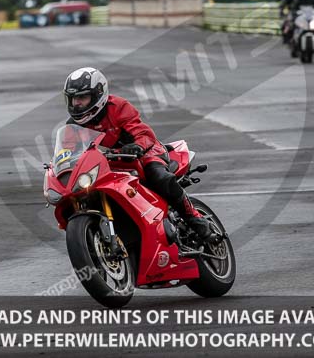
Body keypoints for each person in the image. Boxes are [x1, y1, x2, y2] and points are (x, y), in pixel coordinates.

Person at [62, 67, 212, 240]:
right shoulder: (73, 126)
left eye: (82, 97)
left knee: (158, 176)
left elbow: (144, 134)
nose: (77, 103)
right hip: (109, 164)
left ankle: (194, 218)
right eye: (73, 98)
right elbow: (68, 152)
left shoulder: (117, 107)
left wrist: (137, 146)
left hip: (144, 153)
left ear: (98, 94)